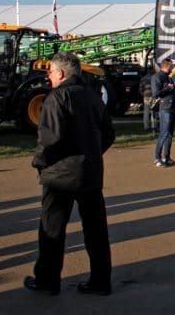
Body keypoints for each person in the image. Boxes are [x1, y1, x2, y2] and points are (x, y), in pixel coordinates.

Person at [25, 53, 115, 296]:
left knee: (52, 229)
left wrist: (40, 162)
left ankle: (47, 279)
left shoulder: (58, 96)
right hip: (90, 172)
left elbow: (50, 137)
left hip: (61, 174)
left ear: (62, 73)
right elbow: (108, 134)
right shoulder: (94, 97)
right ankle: (100, 280)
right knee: (96, 231)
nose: (49, 77)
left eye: (51, 72)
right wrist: (92, 153)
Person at [151, 59, 175, 167]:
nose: (172, 69)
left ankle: (166, 157)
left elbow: (174, 94)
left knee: (170, 134)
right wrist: (167, 88)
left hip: (173, 108)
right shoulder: (157, 77)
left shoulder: (169, 78)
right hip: (165, 108)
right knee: (164, 133)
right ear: (166, 66)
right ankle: (157, 157)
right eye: (171, 66)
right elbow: (156, 94)